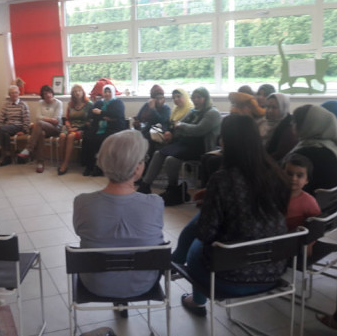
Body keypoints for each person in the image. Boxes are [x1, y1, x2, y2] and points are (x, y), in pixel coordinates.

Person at [176, 114, 290, 317]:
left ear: (226, 142)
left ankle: (195, 298)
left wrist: (209, 208)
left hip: (228, 279)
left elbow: (205, 234)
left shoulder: (222, 179)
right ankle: (177, 259)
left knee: (196, 240)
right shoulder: (276, 174)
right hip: (273, 272)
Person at [73, 130, 164, 317]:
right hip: (143, 283)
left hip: (96, 283)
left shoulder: (82, 202)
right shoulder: (155, 203)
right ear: (137, 168)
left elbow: (80, 231)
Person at [137, 87, 221, 206]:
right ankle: (147, 186)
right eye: (194, 98)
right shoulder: (194, 111)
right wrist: (176, 129)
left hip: (201, 147)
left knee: (166, 156)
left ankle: (171, 190)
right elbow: (176, 126)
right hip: (186, 143)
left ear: (206, 98)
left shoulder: (212, 113)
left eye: (199, 97)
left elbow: (199, 130)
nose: (196, 100)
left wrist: (182, 126)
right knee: (161, 155)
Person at [284, 104, 337, 196]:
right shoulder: (331, 147)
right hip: (332, 203)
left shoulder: (304, 154)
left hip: (307, 201)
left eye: (295, 122)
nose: (292, 125)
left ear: (306, 126)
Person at [81, 83, 126, 176]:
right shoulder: (99, 103)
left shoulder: (118, 103)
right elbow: (91, 113)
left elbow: (117, 115)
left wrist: (101, 113)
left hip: (113, 128)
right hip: (98, 128)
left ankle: (100, 168)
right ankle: (89, 166)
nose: (107, 94)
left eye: (109, 91)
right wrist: (106, 116)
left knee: (101, 139)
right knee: (87, 138)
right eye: (105, 92)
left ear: (113, 92)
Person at [18, 85, 63, 173]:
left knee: (39, 124)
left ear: (52, 93)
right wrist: (49, 119)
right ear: (42, 95)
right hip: (42, 128)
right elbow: (38, 117)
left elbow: (56, 120)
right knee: (41, 133)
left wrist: (44, 120)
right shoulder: (40, 102)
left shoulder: (58, 103)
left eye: (49, 92)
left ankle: (29, 149)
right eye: (45, 93)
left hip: (55, 129)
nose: (48, 95)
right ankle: (40, 163)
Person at [58, 84, 93, 176]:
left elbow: (90, 121)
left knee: (71, 136)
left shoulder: (89, 104)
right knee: (62, 136)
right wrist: (68, 126)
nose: (77, 93)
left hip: (82, 128)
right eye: (75, 92)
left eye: (79, 91)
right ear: (72, 94)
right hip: (70, 127)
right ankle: (62, 161)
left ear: (83, 92)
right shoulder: (70, 104)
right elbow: (67, 119)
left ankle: (65, 164)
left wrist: (77, 128)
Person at [0, 85, 31, 166]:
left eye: (16, 92)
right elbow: (1, 119)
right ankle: (8, 157)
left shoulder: (23, 105)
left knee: (3, 129)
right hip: (7, 127)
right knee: (5, 133)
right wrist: (0, 127)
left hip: (18, 126)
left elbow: (27, 120)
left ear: (19, 93)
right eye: (12, 93)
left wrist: (24, 131)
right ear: (9, 95)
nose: (14, 95)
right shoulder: (6, 105)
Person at [283, 153, 321, 231]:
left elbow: (317, 228)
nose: (293, 178)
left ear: (307, 180)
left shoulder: (309, 202)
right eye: (289, 174)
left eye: (299, 176)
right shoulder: (272, 195)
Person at [133, 85, 171, 161]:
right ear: (152, 99)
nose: (159, 101)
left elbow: (161, 120)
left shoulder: (166, 108)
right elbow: (139, 117)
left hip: (159, 130)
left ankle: (146, 163)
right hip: (147, 128)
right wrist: (137, 122)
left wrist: (153, 109)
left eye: (161, 98)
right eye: (157, 99)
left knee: (147, 138)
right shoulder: (147, 105)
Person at [264, 93, 297, 161]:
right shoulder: (261, 123)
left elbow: (280, 155)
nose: (270, 111)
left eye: (274, 107)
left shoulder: (289, 128)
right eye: (267, 106)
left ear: (283, 108)